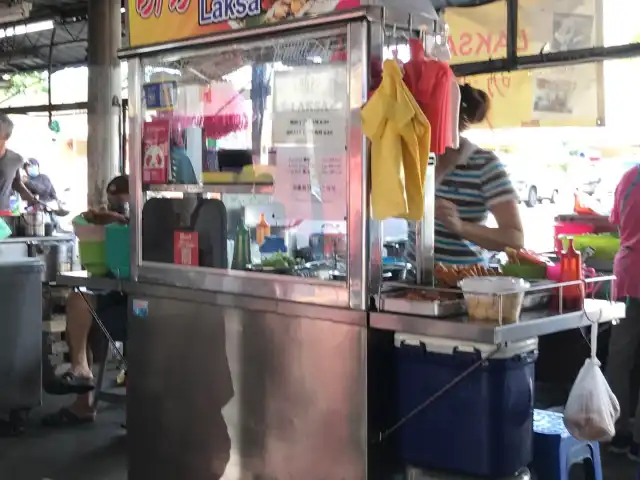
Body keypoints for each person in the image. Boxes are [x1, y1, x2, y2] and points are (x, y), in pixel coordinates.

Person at [43, 175, 129, 427]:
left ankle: (140, 410)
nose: (115, 205)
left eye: (120, 200)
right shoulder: (110, 224)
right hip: (114, 290)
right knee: (79, 300)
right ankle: (81, 374)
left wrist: (121, 219)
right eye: (112, 199)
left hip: (142, 301)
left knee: (136, 322)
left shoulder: (145, 220)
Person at [433, 83, 524, 264]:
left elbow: (515, 239)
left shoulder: (484, 165)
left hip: (467, 286)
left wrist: (460, 227)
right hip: (416, 285)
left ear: (452, 120)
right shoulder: (414, 161)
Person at [605, 164, 640, 459]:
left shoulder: (630, 176)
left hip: (628, 275)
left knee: (620, 357)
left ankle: (617, 434)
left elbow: (617, 221)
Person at [0, 114, 38, 211]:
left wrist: (29, 196)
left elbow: (16, 182)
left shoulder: (16, 160)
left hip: (3, 215)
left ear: (6, 137)